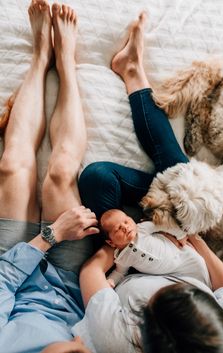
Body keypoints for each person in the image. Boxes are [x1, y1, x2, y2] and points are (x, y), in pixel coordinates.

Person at [75, 12, 223, 353]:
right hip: (183, 242)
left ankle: (132, 71)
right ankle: (133, 72)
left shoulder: (117, 340)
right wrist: (194, 241)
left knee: (97, 177)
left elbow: (91, 274)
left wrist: (116, 243)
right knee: (181, 182)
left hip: (127, 254)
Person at [0, 1, 98, 353]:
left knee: (12, 165)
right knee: (58, 175)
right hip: (69, 285)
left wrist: (51, 235)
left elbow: (2, 282)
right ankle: (67, 64)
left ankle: (41, 56)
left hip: (10, 268)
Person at [100, 208, 210, 287]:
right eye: (117, 229)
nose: (125, 227)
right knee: (190, 286)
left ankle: (210, 288)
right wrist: (111, 281)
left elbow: (164, 225)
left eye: (126, 221)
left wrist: (180, 235)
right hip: (169, 274)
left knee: (200, 266)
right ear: (111, 243)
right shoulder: (122, 258)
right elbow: (120, 273)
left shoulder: (142, 229)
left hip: (181, 255)